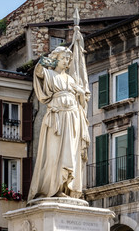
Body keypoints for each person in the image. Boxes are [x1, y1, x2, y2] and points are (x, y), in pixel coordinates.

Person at [27, 46, 90, 201]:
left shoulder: (71, 79)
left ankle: (67, 187)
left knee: (71, 153)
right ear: (56, 59)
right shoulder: (49, 74)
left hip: (72, 118)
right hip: (57, 120)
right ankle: (53, 187)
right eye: (63, 58)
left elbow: (82, 100)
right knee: (55, 154)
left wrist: (81, 93)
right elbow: (39, 73)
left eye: (68, 58)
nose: (66, 61)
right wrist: (44, 62)